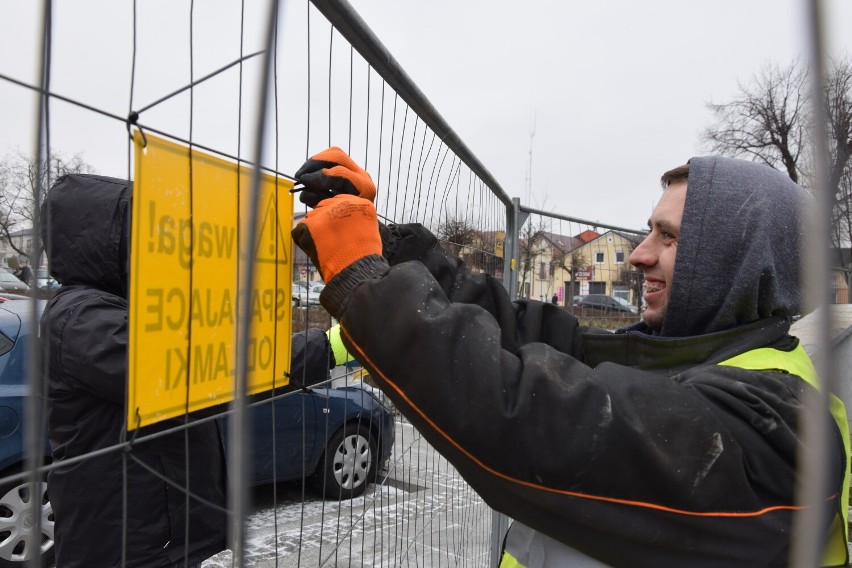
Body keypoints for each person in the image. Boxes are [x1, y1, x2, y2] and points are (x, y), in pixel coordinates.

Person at [291, 147, 850, 566]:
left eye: (669, 237)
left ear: (735, 265)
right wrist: (385, 247)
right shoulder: (677, 358)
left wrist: (367, 288)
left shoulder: (780, 427)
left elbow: (535, 420)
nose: (638, 254)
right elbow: (524, 331)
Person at [39, 174, 228, 568]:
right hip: (122, 545)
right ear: (103, 242)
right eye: (139, 231)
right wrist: (331, 345)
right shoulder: (81, 318)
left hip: (156, 534)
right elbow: (197, 369)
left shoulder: (128, 306)